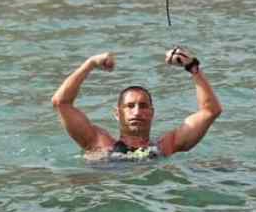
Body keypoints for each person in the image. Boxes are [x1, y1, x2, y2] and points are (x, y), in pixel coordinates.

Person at [50, 47, 223, 159]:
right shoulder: (97, 143)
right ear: (118, 114)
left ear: (152, 113)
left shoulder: (167, 145)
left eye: (143, 106)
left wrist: (193, 67)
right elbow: (61, 102)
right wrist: (90, 63)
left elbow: (210, 111)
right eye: (130, 106)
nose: (137, 111)